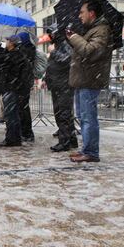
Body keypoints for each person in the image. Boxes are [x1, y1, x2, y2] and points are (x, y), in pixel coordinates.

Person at [66, 0, 113, 162]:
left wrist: (75, 38)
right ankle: (86, 149)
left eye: (82, 12)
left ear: (91, 13)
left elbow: (90, 51)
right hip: (83, 80)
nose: (79, 16)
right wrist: (72, 38)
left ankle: (91, 152)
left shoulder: (102, 30)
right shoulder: (91, 30)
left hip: (90, 80)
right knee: (82, 116)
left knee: (88, 117)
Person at [0, 31, 29, 147]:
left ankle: (12, 139)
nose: (5, 42)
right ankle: (15, 138)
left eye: (7, 40)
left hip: (11, 89)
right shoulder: (15, 54)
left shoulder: (14, 56)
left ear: (12, 43)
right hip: (10, 89)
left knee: (11, 115)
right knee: (12, 115)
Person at [45, 23, 78, 152]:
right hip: (58, 85)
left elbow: (67, 59)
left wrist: (53, 53)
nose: (50, 35)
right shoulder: (59, 44)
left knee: (63, 114)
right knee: (64, 114)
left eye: (52, 32)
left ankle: (65, 142)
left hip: (63, 85)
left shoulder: (64, 44)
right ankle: (71, 140)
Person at [17, 32, 36, 142]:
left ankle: (27, 133)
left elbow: (22, 64)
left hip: (23, 83)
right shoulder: (27, 48)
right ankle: (25, 131)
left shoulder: (26, 49)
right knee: (22, 108)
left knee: (23, 109)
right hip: (24, 82)